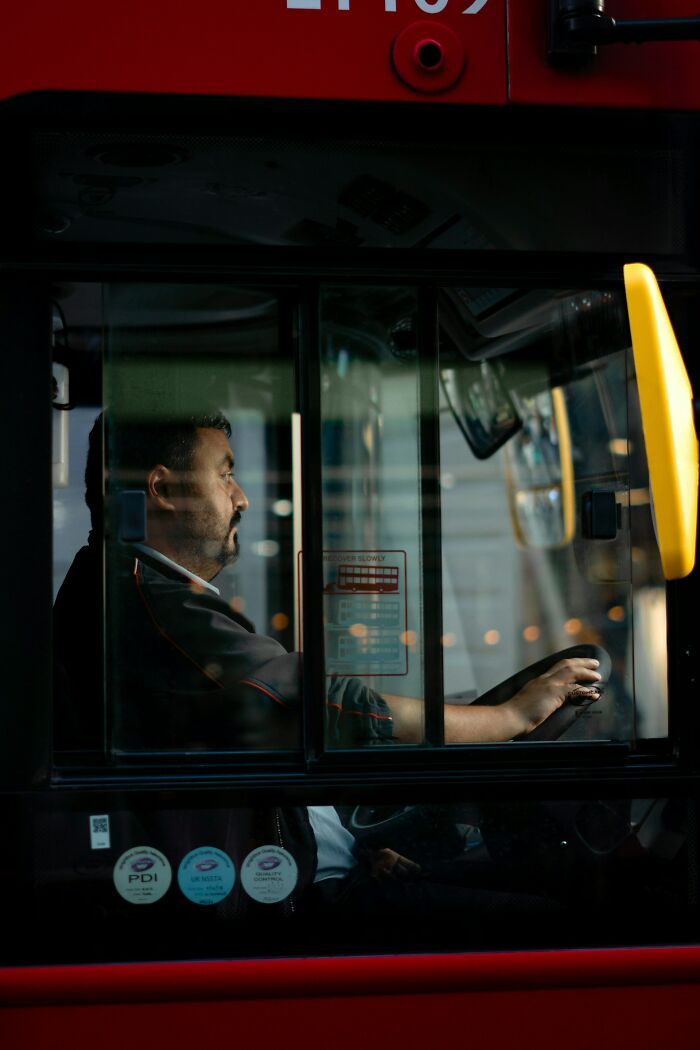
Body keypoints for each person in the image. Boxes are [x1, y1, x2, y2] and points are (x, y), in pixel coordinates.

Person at [53, 409, 604, 951]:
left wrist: (352, 847)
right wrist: (510, 717)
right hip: (293, 901)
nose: (241, 497)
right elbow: (322, 706)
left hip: (306, 865)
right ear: (162, 489)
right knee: (555, 929)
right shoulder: (152, 607)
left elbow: (254, 736)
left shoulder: (130, 590)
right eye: (224, 472)